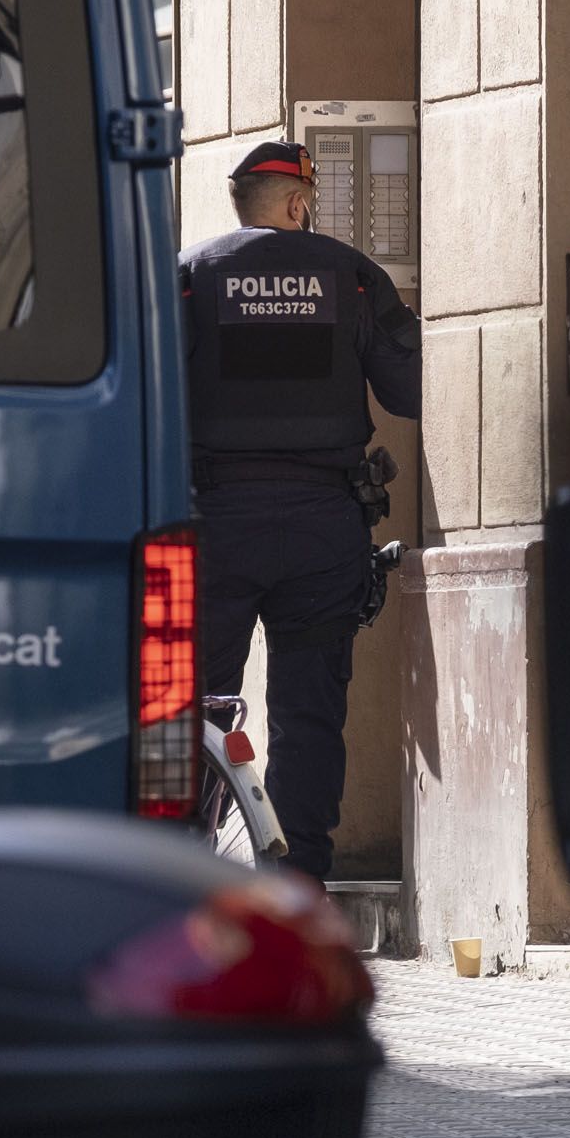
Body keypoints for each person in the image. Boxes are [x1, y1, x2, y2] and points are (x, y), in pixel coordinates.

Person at [181, 141, 421, 879]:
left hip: (215, 523)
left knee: (190, 712)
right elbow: (411, 390)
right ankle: (298, 889)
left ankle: (175, 873)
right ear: (296, 203)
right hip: (324, 528)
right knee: (309, 716)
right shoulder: (349, 275)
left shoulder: (189, 275)